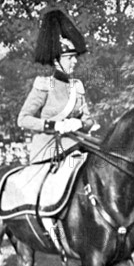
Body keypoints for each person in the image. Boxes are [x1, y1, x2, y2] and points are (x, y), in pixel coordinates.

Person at [17, 8, 97, 163]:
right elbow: (23, 119)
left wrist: (80, 123)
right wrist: (53, 125)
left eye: (75, 57)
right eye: (69, 58)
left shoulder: (77, 86)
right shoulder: (44, 85)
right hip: (48, 151)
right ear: (56, 60)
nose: (75, 61)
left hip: (76, 147)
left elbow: (89, 120)